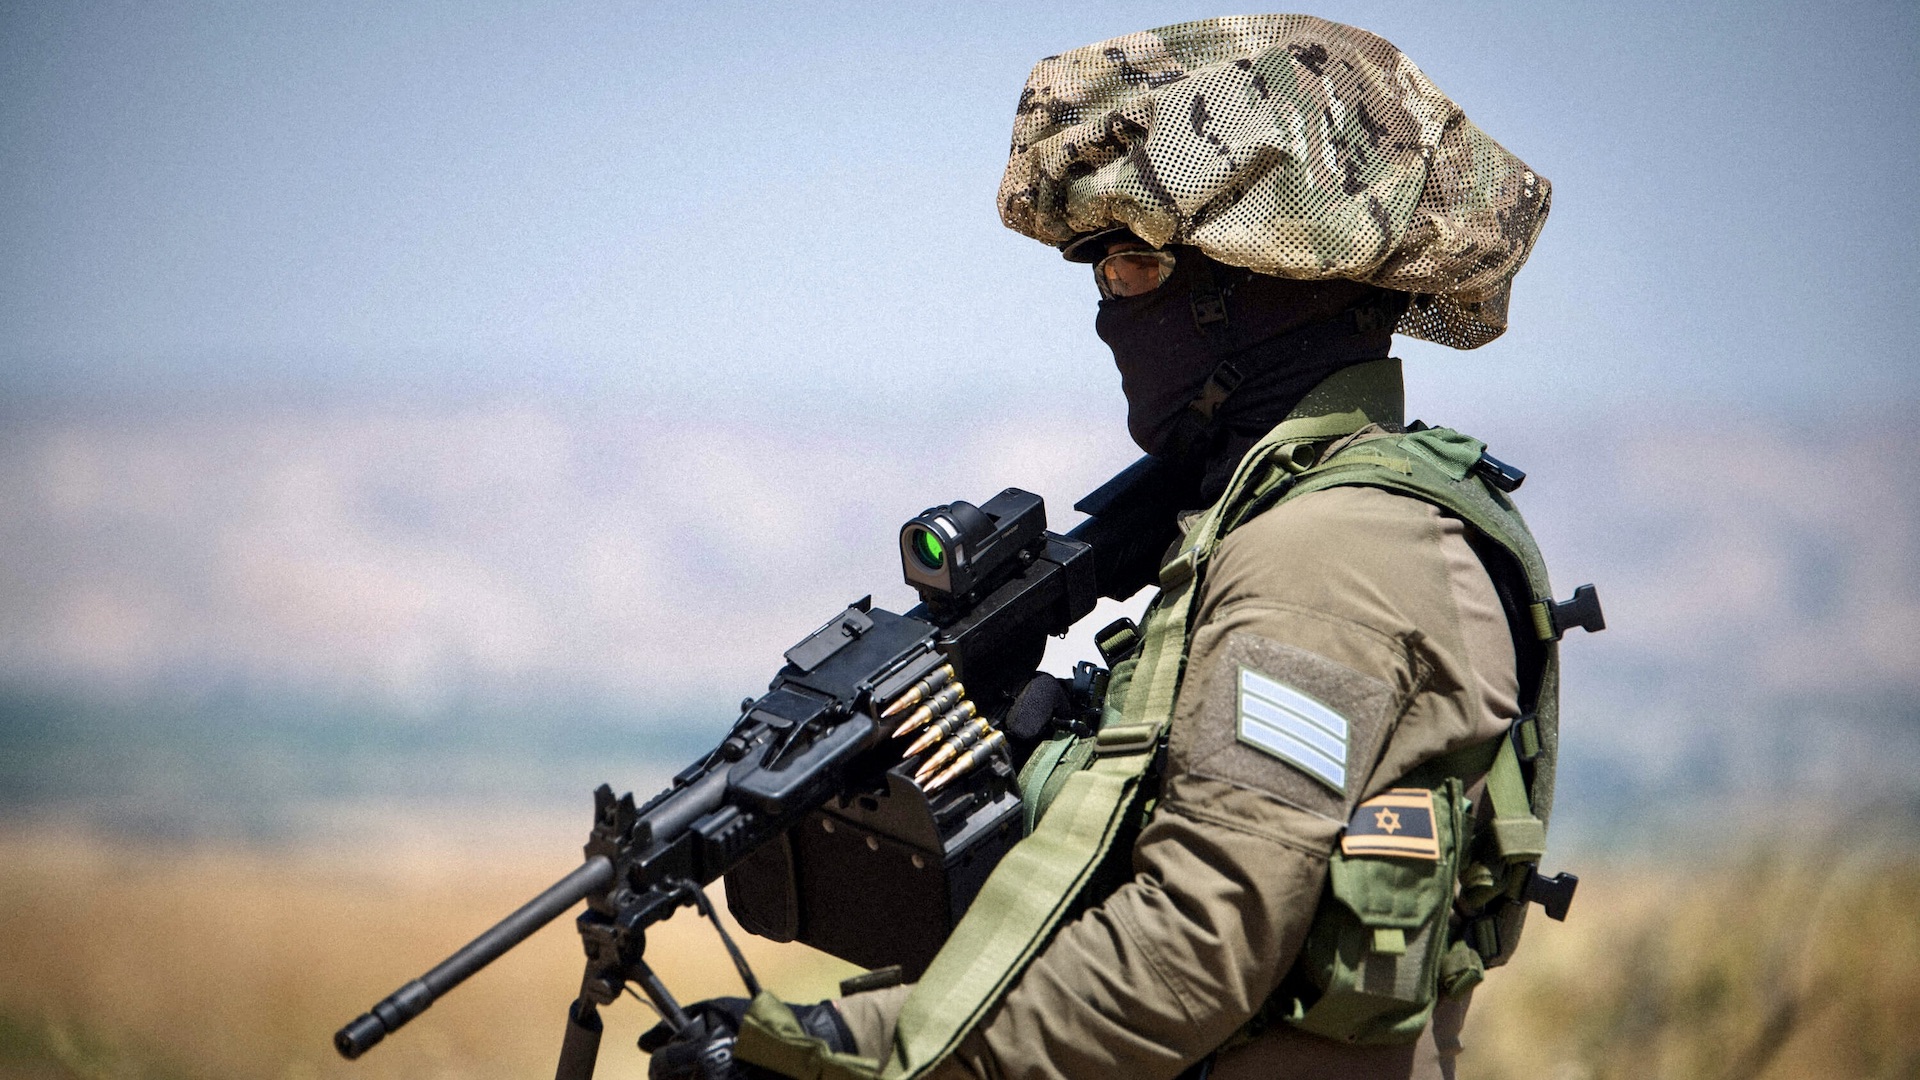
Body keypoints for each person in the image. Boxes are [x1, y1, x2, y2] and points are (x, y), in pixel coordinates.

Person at [645, 14, 1584, 1080]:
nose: (1107, 314)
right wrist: (1046, 770)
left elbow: (1193, 952)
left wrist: (831, 1052)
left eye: (1133, 267)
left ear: (1262, 281)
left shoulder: (1325, 556)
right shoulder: (1316, 523)